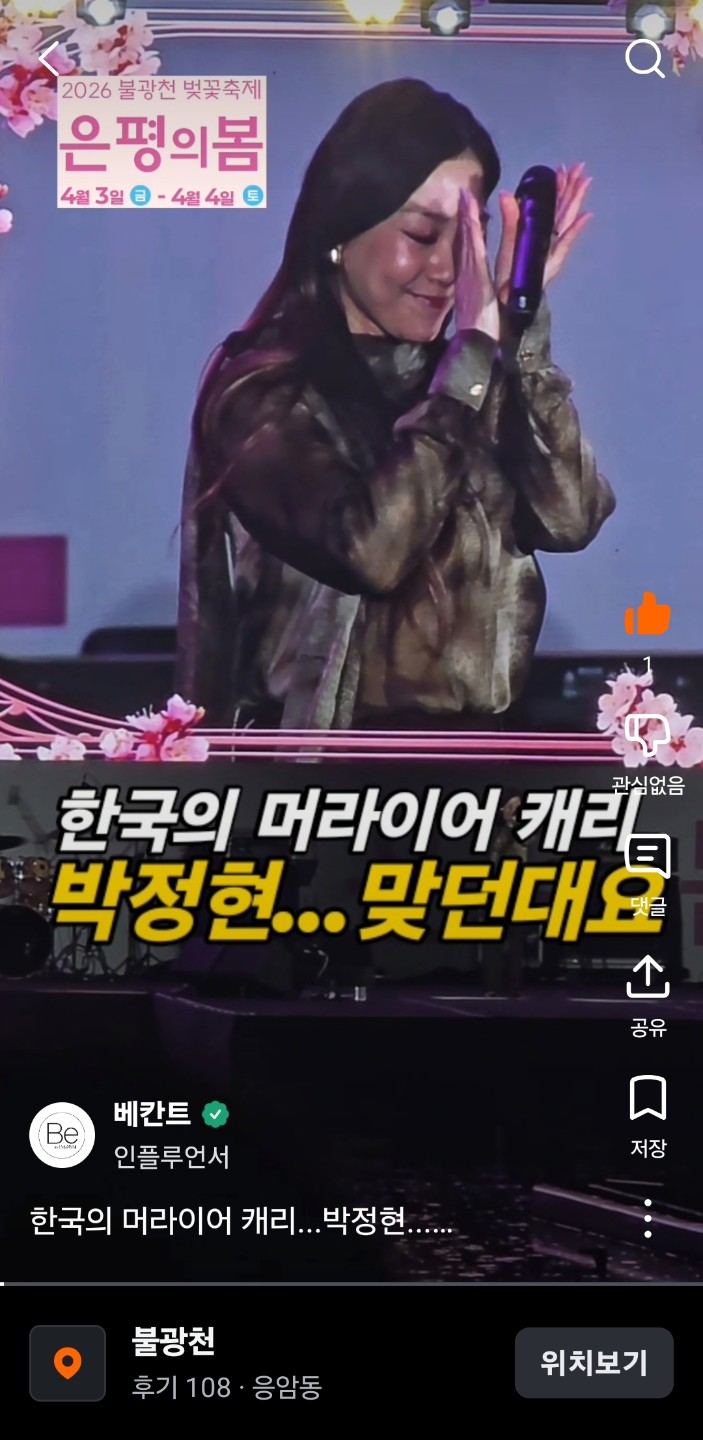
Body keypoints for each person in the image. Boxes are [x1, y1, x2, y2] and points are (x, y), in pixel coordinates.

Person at [177, 78, 614, 732]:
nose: (448, 269)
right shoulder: (259, 393)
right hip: (319, 769)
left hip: (478, 762)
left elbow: (569, 518)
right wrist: (469, 365)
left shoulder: (468, 376)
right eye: (423, 234)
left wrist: (517, 339)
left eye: (469, 237)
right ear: (340, 233)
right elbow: (369, 551)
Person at [482, 794, 528, 998]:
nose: (514, 809)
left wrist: (513, 826)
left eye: (518, 805)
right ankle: (492, 985)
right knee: (493, 939)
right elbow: (495, 849)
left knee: (516, 940)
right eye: (511, 805)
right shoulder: (494, 830)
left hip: (518, 886)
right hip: (497, 885)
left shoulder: (526, 828)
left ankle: (514, 986)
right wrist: (507, 826)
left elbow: (526, 845)